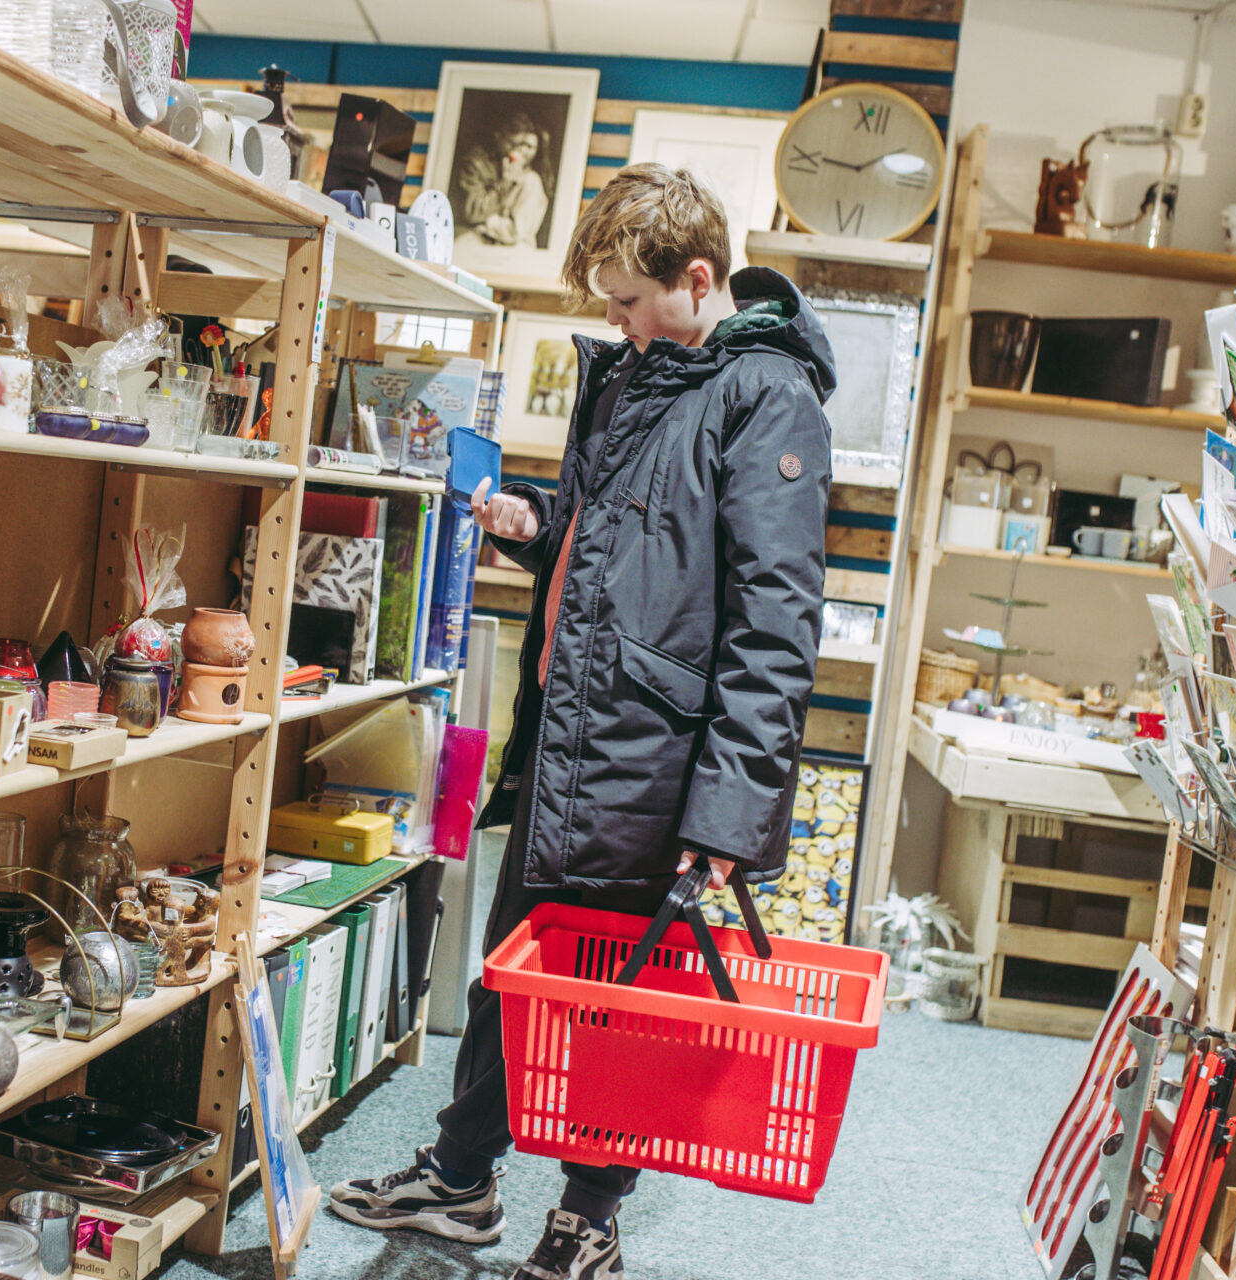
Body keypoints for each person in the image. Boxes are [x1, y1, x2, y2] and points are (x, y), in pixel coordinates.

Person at [328, 164, 838, 1280]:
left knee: (610, 1008)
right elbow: (617, 549)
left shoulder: (766, 396)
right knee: (512, 973)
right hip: (571, 734)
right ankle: (462, 1177)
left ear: (697, 279)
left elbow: (775, 626)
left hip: (655, 764)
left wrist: (727, 811)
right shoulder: (632, 376)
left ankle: (587, 1220)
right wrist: (534, 522)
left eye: (625, 301)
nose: (612, 321)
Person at [455, 114, 554, 249]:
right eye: (514, 144)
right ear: (498, 137)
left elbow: (515, 231)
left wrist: (486, 224)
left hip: (512, 251)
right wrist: (504, 184)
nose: (519, 150)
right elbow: (473, 212)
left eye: (528, 146)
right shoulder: (478, 164)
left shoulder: (531, 181)